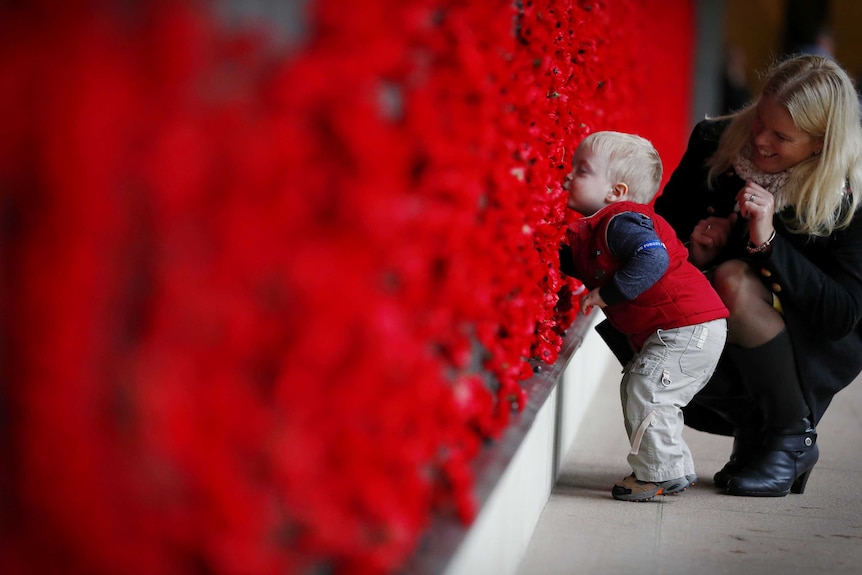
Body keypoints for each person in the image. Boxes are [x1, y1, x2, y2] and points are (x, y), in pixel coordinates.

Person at [652, 54, 862, 497]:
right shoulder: (715, 140)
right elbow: (660, 237)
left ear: (822, 144)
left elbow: (842, 316)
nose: (760, 140)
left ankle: (791, 438)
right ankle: (761, 433)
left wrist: (768, 242)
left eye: (781, 136)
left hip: (812, 339)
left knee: (734, 279)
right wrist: (696, 250)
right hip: (719, 323)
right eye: (759, 122)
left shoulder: (849, 192)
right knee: (681, 288)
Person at [559, 131, 729, 502]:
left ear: (616, 192)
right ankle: (673, 468)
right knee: (641, 387)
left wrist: (608, 293)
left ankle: (656, 475)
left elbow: (654, 258)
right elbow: (582, 261)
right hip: (684, 328)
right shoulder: (604, 225)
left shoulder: (623, 222)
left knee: (647, 389)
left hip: (688, 327)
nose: (567, 176)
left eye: (582, 170)